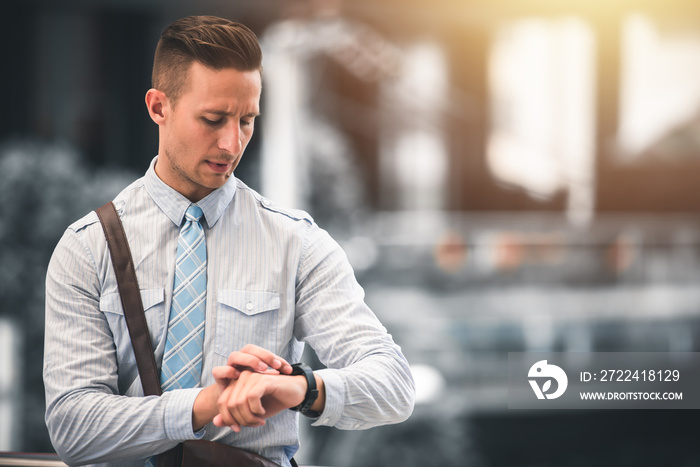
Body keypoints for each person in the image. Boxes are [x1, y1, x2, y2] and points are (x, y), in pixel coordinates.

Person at [43, 15, 414, 467]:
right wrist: (206, 405)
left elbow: (394, 385)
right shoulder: (88, 248)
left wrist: (299, 387)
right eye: (213, 119)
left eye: (247, 120)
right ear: (159, 107)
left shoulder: (295, 243)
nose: (232, 143)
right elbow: (72, 428)